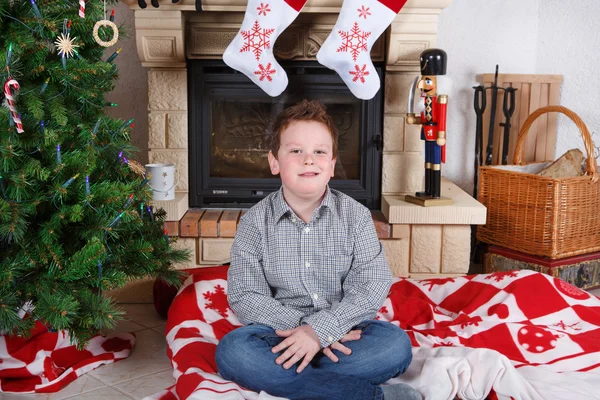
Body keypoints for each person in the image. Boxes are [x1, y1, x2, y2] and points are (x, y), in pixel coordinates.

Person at [215, 100, 419, 400]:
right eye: (296, 151)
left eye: (319, 152)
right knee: (234, 352)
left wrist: (322, 330)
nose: (308, 160)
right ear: (274, 162)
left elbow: (371, 285)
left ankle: (299, 384)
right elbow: (245, 295)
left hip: (345, 328)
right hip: (279, 334)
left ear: (332, 164)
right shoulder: (255, 222)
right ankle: (371, 397)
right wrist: (304, 331)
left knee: (395, 346)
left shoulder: (356, 216)